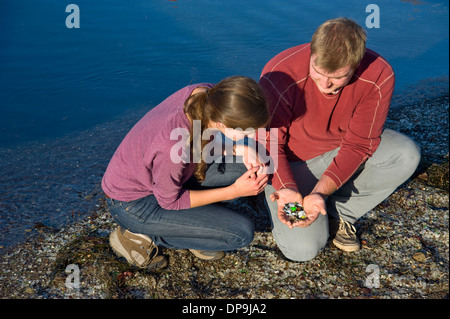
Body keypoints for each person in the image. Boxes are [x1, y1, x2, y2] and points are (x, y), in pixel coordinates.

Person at [259, 18, 420, 262]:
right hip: (289, 165)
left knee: (406, 154)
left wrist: (321, 193)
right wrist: (287, 188)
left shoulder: (379, 75)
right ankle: (267, 198)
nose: (325, 85)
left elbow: (359, 144)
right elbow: (269, 145)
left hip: (341, 151)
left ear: (355, 65)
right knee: (303, 250)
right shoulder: (280, 74)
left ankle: (340, 212)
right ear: (312, 53)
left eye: (338, 77)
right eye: (318, 72)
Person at [102, 76, 269, 269]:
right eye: (247, 133)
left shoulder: (207, 95)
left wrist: (236, 149)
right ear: (222, 123)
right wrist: (234, 191)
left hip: (169, 176)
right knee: (241, 233)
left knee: (243, 167)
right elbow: (170, 201)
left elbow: (200, 141)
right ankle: (139, 236)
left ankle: (194, 229)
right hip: (134, 204)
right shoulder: (173, 145)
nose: (252, 137)